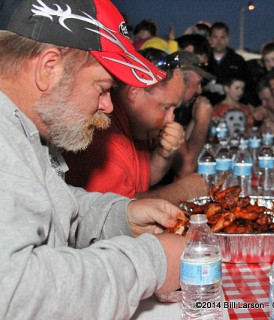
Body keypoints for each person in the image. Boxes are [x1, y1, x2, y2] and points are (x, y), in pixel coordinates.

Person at [0, 0, 187, 318]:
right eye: (103, 88)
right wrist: (151, 262)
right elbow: (17, 293)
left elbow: (46, 204)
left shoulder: (22, 129)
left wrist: (119, 217)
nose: (108, 106)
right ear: (49, 68)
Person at [64, 50, 208, 204]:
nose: (170, 119)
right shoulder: (100, 134)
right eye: (166, 108)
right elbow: (117, 209)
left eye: (175, 110)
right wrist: (184, 191)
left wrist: (164, 155)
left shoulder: (137, 126)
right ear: (134, 93)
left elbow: (142, 180)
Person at [170, 50, 215, 179]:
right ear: (181, 79)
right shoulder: (164, 111)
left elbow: (188, 149)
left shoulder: (178, 109)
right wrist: (202, 123)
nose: (200, 90)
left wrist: (196, 120)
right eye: (198, 83)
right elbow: (185, 168)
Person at [203, 21, 251, 106]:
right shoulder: (203, 59)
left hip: (231, 110)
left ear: (228, 39)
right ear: (210, 39)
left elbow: (248, 87)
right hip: (205, 108)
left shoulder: (238, 61)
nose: (219, 41)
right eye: (215, 37)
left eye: (222, 37)